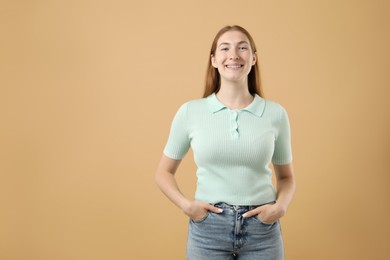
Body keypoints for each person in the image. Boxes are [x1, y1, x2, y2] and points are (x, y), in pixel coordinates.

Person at [155, 25, 296, 260]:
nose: (234, 55)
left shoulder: (275, 114)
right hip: (208, 230)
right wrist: (187, 206)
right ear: (213, 60)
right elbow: (163, 172)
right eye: (225, 48)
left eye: (242, 48)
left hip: (262, 230)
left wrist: (280, 207)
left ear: (253, 59)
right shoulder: (191, 112)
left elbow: (286, 177)